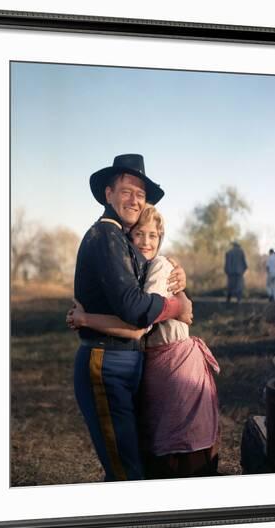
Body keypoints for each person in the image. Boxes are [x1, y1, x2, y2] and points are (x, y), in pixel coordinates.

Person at [68, 204, 220, 479]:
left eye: (153, 235)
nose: (146, 242)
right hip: (163, 364)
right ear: (129, 236)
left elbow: (138, 327)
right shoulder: (138, 268)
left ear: (161, 238)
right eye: (139, 234)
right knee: (157, 445)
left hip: (176, 367)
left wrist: (86, 319)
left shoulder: (160, 267)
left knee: (176, 449)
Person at [71, 154, 192, 482]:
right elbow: (135, 308)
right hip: (106, 361)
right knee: (127, 473)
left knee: (133, 462)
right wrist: (175, 309)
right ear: (108, 194)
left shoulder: (125, 242)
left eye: (141, 194)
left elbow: (151, 285)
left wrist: (178, 280)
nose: (135, 200)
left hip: (128, 361)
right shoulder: (106, 236)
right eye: (126, 191)